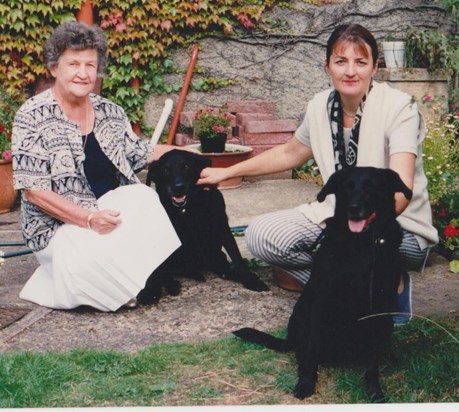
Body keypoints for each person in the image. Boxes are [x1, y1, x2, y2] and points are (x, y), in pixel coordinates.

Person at [198, 23, 439, 324]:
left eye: (360, 62)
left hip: (397, 228)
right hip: (340, 217)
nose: (350, 71)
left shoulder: (399, 108)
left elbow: (400, 191)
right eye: (341, 61)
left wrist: (363, 225)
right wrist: (227, 172)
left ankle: (393, 285)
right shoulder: (319, 107)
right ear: (327, 67)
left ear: (375, 67)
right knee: (261, 236)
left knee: (346, 249)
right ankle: (351, 289)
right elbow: (289, 153)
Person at [12, 21, 183, 312]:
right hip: (59, 227)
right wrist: (89, 219)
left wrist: (194, 158)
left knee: (144, 197)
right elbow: (35, 193)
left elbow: (141, 152)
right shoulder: (32, 116)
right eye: (73, 64)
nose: (83, 73)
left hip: (107, 216)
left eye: (90, 65)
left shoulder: (110, 112)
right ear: (55, 68)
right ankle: (65, 273)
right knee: (102, 279)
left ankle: (107, 272)